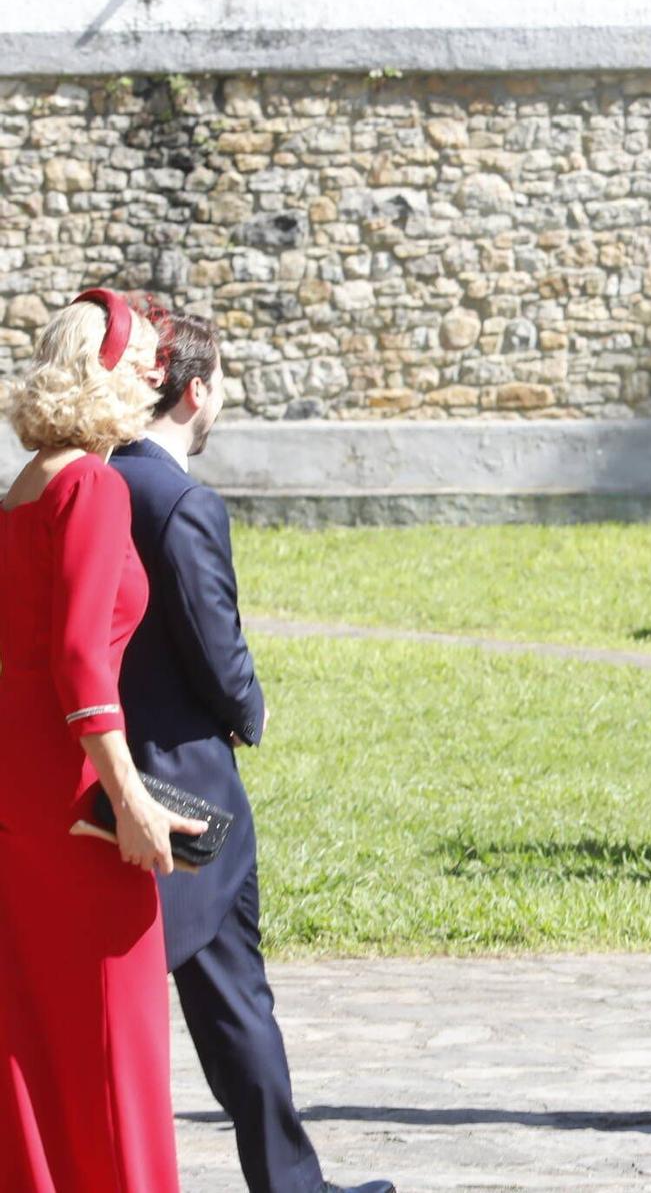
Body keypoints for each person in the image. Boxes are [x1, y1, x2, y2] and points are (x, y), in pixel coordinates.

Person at [111, 307, 396, 1193]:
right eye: (222, 382)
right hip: (188, 783)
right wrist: (251, 709)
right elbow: (215, 639)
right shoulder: (183, 500)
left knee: (209, 1001)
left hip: (110, 770)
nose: (223, 396)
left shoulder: (103, 480)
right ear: (196, 390)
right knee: (236, 1000)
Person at [0, 290, 204, 1191]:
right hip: (76, 803)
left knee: (35, 1039)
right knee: (115, 1040)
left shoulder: (24, 485)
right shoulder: (91, 482)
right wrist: (130, 798)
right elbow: (81, 662)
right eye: (144, 359)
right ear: (110, 373)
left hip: (18, 791)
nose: (157, 374)